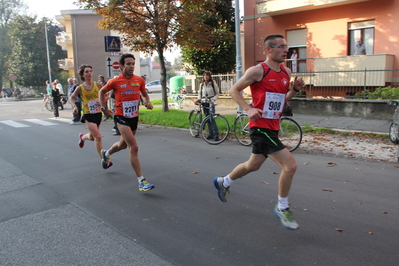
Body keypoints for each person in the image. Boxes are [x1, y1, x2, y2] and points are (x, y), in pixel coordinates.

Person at [213, 34, 305, 230]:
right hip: (260, 128)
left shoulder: (286, 72)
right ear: (268, 50)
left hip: (273, 127)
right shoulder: (257, 71)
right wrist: (248, 108)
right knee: (290, 166)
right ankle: (282, 207)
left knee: (252, 166)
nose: (285, 50)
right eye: (281, 47)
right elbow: (234, 90)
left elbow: (282, 99)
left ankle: (224, 182)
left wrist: (295, 90)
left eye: (286, 46)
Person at [99, 53, 155, 192]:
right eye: (128, 64)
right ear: (122, 66)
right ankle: (141, 181)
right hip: (120, 117)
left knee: (122, 145)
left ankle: (106, 153)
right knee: (134, 147)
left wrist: (147, 102)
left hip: (133, 117)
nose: (131, 66)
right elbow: (101, 92)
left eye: (133, 64)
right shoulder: (115, 81)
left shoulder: (139, 80)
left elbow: (144, 94)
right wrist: (103, 108)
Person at [70, 64, 112, 168]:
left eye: (90, 71)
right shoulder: (80, 88)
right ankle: (104, 160)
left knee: (93, 138)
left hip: (97, 113)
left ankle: (83, 137)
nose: (89, 73)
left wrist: (104, 99)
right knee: (98, 137)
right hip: (88, 115)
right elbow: (72, 97)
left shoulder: (97, 85)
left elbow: (106, 95)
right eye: (86, 72)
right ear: (83, 75)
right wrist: (74, 106)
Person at [196, 71, 220, 140]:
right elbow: (200, 93)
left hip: (210, 102)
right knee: (207, 118)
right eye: (204, 75)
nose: (206, 77)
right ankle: (211, 133)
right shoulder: (202, 84)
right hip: (204, 102)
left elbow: (217, 93)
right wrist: (199, 99)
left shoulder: (213, 84)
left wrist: (213, 99)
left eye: (207, 75)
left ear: (209, 76)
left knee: (211, 118)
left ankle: (216, 134)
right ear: (203, 77)